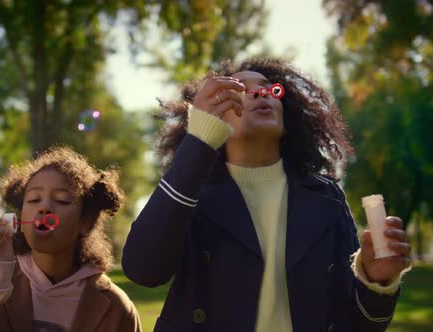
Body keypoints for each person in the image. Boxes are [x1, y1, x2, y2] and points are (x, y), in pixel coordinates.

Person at [122, 58, 411, 332]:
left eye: (270, 89)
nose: (261, 93)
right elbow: (143, 270)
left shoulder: (327, 197)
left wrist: (375, 280)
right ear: (216, 115)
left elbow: (358, 325)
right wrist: (199, 141)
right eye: (242, 90)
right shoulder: (190, 192)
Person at [0, 146, 141, 332]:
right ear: (20, 218)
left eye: (62, 200)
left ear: (85, 222)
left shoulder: (117, 308)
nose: (44, 207)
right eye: (33, 200)